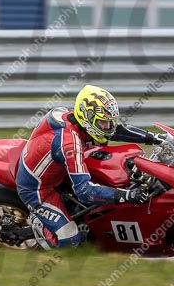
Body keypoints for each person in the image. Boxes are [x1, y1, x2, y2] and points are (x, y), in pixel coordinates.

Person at [16, 84, 164, 249]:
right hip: (38, 189)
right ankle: (39, 226)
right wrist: (127, 195)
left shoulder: (81, 121)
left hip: (58, 167)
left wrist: (154, 138)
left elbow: (114, 130)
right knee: (71, 242)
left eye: (109, 122)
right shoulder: (69, 143)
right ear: (87, 118)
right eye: (104, 123)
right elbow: (85, 192)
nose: (108, 127)